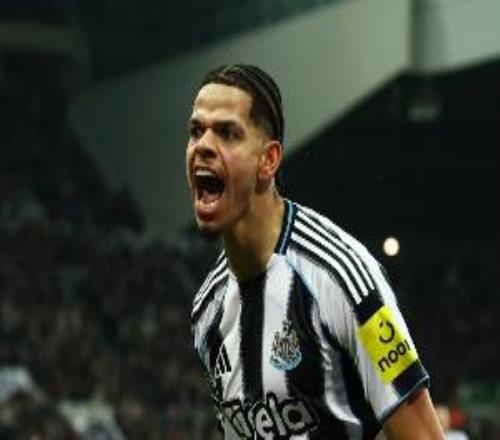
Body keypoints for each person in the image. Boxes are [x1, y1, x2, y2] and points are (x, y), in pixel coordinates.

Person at [187, 64, 444, 439]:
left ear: (269, 160)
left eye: (227, 133)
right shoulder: (206, 311)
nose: (203, 146)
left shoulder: (343, 277)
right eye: (196, 131)